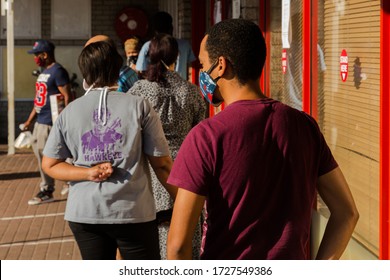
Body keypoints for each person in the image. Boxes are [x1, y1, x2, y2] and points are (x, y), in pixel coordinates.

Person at [166, 19, 359, 260]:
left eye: (204, 65)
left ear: (221, 66)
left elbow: (177, 246)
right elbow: (347, 213)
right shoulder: (305, 127)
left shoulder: (206, 137)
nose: (202, 74)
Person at [41, 40, 176, 260]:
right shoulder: (139, 105)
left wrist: (87, 172)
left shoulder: (70, 111)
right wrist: (183, 201)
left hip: (85, 215)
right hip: (133, 213)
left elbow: (50, 164)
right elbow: (161, 164)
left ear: (84, 73)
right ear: (117, 69)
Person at [127, 33, 207, 259]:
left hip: (149, 171)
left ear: (149, 55)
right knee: (185, 234)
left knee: (149, 237)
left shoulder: (138, 92)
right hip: (185, 171)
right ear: (176, 57)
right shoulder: (190, 91)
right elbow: (200, 133)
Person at [22, 39, 72, 205]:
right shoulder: (43, 72)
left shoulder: (58, 71)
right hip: (40, 121)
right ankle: (49, 188)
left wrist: (66, 117)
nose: (35, 58)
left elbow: (67, 95)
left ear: (45, 54)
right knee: (41, 155)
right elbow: (39, 101)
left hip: (51, 121)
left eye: (37, 54)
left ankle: (64, 183)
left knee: (54, 154)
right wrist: (29, 120)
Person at [136, 11, 196, 80]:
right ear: (171, 28)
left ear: (155, 31)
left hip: (156, 87)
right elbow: (191, 69)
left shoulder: (148, 46)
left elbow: (141, 71)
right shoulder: (185, 45)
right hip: (180, 87)